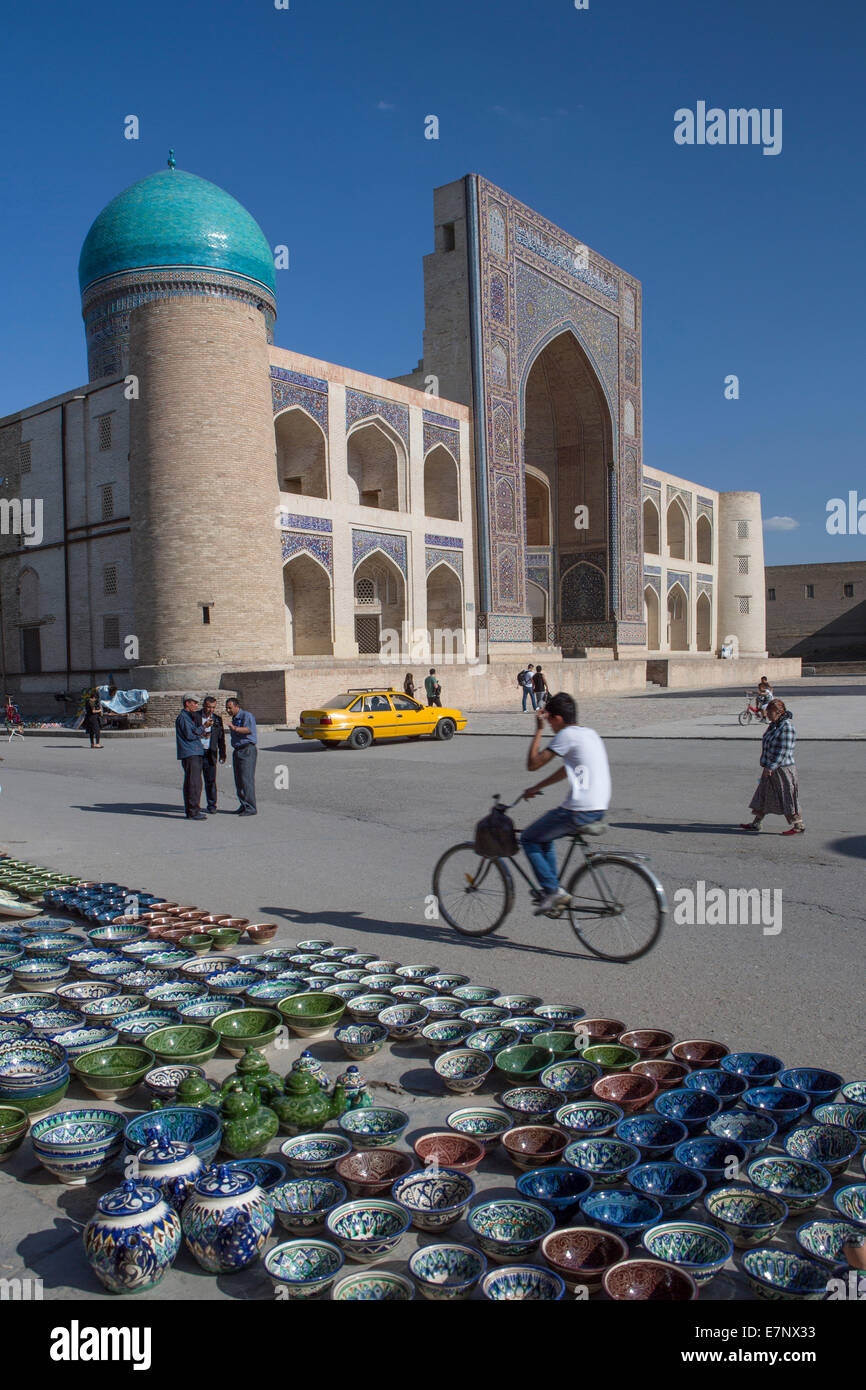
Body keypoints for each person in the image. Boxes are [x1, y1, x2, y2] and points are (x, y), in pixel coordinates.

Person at [520, 692, 612, 914]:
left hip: (580, 810)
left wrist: (539, 729)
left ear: (557, 718)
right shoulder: (589, 733)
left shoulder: (566, 735)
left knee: (529, 838)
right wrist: (538, 787)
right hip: (599, 807)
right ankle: (554, 888)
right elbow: (568, 769)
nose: (550, 725)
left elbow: (532, 764)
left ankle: (553, 892)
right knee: (546, 835)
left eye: (550, 720)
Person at [740, 698, 804, 835]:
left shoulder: (787, 727)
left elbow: (783, 751)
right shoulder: (774, 725)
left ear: (779, 712)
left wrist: (771, 766)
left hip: (782, 769)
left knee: (787, 796)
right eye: (767, 712)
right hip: (770, 767)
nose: (767, 715)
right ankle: (756, 822)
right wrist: (766, 765)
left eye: (770, 712)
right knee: (763, 794)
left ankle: (798, 824)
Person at [175, 694, 209, 821]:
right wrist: (203, 728)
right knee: (193, 783)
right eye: (194, 703)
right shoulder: (183, 718)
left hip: (194, 751)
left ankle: (192, 809)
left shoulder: (190, 717)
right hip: (190, 753)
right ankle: (193, 811)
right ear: (187, 703)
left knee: (194, 782)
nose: (196, 705)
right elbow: (189, 735)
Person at [225, 696, 257, 815]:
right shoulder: (234, 718)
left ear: (237, 706)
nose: (228, 710)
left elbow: (249, 730)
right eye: (226, 708)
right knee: (238, 780)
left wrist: (235, 728)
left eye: (230, 708)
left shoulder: (246, 716)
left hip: (247, 750)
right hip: (238, 750)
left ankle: (251, 807)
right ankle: (243, 804)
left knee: (246, 779)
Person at [196, 695, 226, 814]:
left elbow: (221, 737)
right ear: (204, 706)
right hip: (197, 752)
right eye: (208, 707)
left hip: (210, 753)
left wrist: (223, 753)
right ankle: (195, 805)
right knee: (196, 781)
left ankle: (212, 805)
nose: (211, 710)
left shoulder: (217, 719)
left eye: (213, 707)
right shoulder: (196, 717)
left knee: (211, 781)